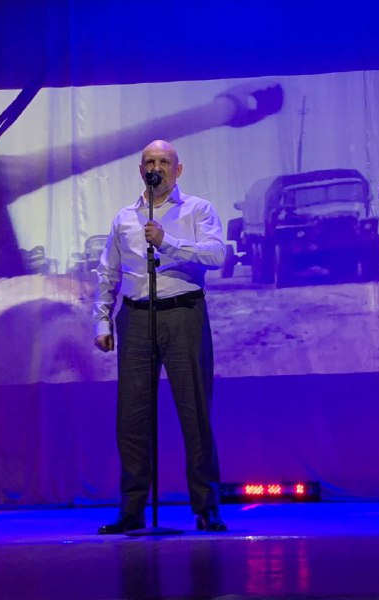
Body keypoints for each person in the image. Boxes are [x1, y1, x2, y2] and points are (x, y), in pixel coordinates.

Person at [93, 140, 227, 533]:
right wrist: (102, 321)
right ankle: (132, 509)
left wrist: (167, 242)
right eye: (150, 161)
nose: (157, 167)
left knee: (194, 412)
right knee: (132, 418)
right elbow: (108, 271)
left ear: (177, 169)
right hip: (136, 318)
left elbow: (217, 255)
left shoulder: (198, 209)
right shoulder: (124, 218)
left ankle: (206, 506)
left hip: (183, 313)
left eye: (164, 162)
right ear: (141, 169)